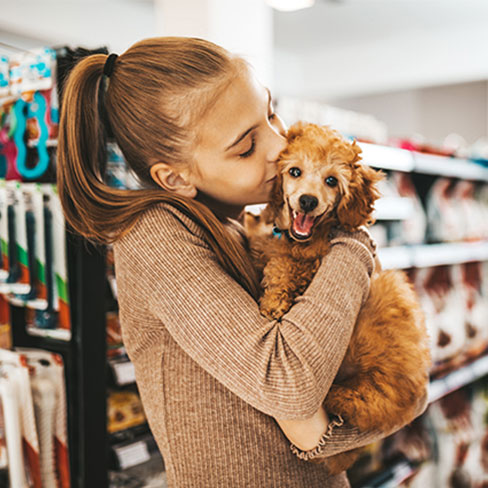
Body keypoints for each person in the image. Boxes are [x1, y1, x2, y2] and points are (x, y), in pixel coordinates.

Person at [56, 37, 428, 487]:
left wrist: (349, 425)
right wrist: (351, 241)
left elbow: (345, 399)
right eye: (246, 146)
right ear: (175, 178)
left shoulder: (247, 223)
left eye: (271, 113)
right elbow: (287, 384)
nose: (278, 145)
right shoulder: (155, 236)